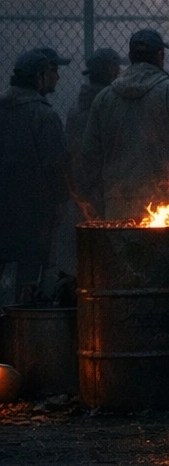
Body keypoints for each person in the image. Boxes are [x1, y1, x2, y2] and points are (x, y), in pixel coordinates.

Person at [77, 28, 169, 221]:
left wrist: (101, 199)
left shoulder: (104, 99)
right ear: (161, 55)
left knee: (125, 252)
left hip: (118, 206)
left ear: (130, 57)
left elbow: (89, 157)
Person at [0, 49, 70, 304]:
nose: (58, 77)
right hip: (32, 215)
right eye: (54, 71)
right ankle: (23, 331)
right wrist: (62, 200)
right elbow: (58, 166)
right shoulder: (44, 115)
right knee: (28, 280)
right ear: (40, 77)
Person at [56, 47, 120, 274]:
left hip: (82, 190)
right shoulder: (108, 105)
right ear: (111, 70)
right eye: (118, 68)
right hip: (100, 190)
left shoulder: (78, 106)